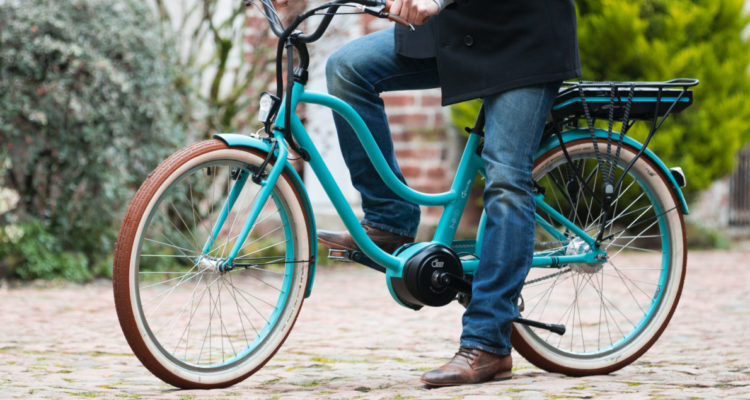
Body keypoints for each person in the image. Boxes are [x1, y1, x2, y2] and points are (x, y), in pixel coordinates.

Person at [283, 0, 580, 387]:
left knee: (506, 178)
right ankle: (389, 219)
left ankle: (487, 344)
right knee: (348, 68)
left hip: (523, 35)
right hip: (460, 28)